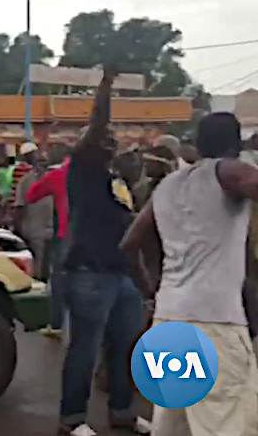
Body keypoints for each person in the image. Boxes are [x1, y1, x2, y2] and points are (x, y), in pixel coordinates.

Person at [121, 112, 258, 436]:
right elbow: (245, 179)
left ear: (197, 144)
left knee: (173, 425)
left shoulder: (168, 185)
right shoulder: (228, 171)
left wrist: (152, 291)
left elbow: (129, 244)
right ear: (236, 146)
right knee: (224, 424)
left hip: (169, 320)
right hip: (214, 323)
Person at [58, 66, 149, 436]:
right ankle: (72, 419)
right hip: (89, 272)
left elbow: (128, 229)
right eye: (105, 136)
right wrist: (106, 89)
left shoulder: (114, 180)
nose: (112, 139)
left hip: (119, 273)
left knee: (124, 346)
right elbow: (97, 125)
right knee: (85, 348)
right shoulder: (83, 169)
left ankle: (122, 411)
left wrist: (142, 278)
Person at [27, 149, 71, 338]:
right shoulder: (102, 175)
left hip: (66, 234)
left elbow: (32, 196)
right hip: (93, 236)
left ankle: (56, 324)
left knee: (59, 280)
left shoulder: (58, 175)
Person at [14, 152, 53, 280]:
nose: (42, 165)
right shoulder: (26, 181)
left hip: (51, 229)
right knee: (36, 264)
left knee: (49, 264)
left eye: (45, 162)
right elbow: (20, 206)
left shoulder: (54, 179)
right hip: (33, 228)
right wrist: (17, 228)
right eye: (40, 161)